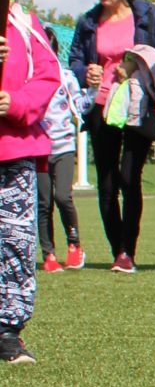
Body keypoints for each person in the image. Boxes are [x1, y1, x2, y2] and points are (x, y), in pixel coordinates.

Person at [69, 0, 155, 273]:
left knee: (129, 177)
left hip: (136, 106)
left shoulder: (147, 15)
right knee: (107, 182)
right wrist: (88, 74)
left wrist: (132, 64)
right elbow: (76, 62)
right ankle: (118, 251)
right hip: (101, 107)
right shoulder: (87, 21)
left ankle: (128, 250)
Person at [0, 0, 61, 364]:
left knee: (16, 241)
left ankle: (7, 329)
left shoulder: (24, 23)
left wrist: (15, 103)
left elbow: (47, 73)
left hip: (14, 149)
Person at [38, 56, 86, 272]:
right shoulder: (29, 78)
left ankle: (74, 243)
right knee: (44, 202)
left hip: (64, 146)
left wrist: (93, 90)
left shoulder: (66, 77)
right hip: (38, 148)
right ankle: (48, 253)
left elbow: (81, 105)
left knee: (62, 196)